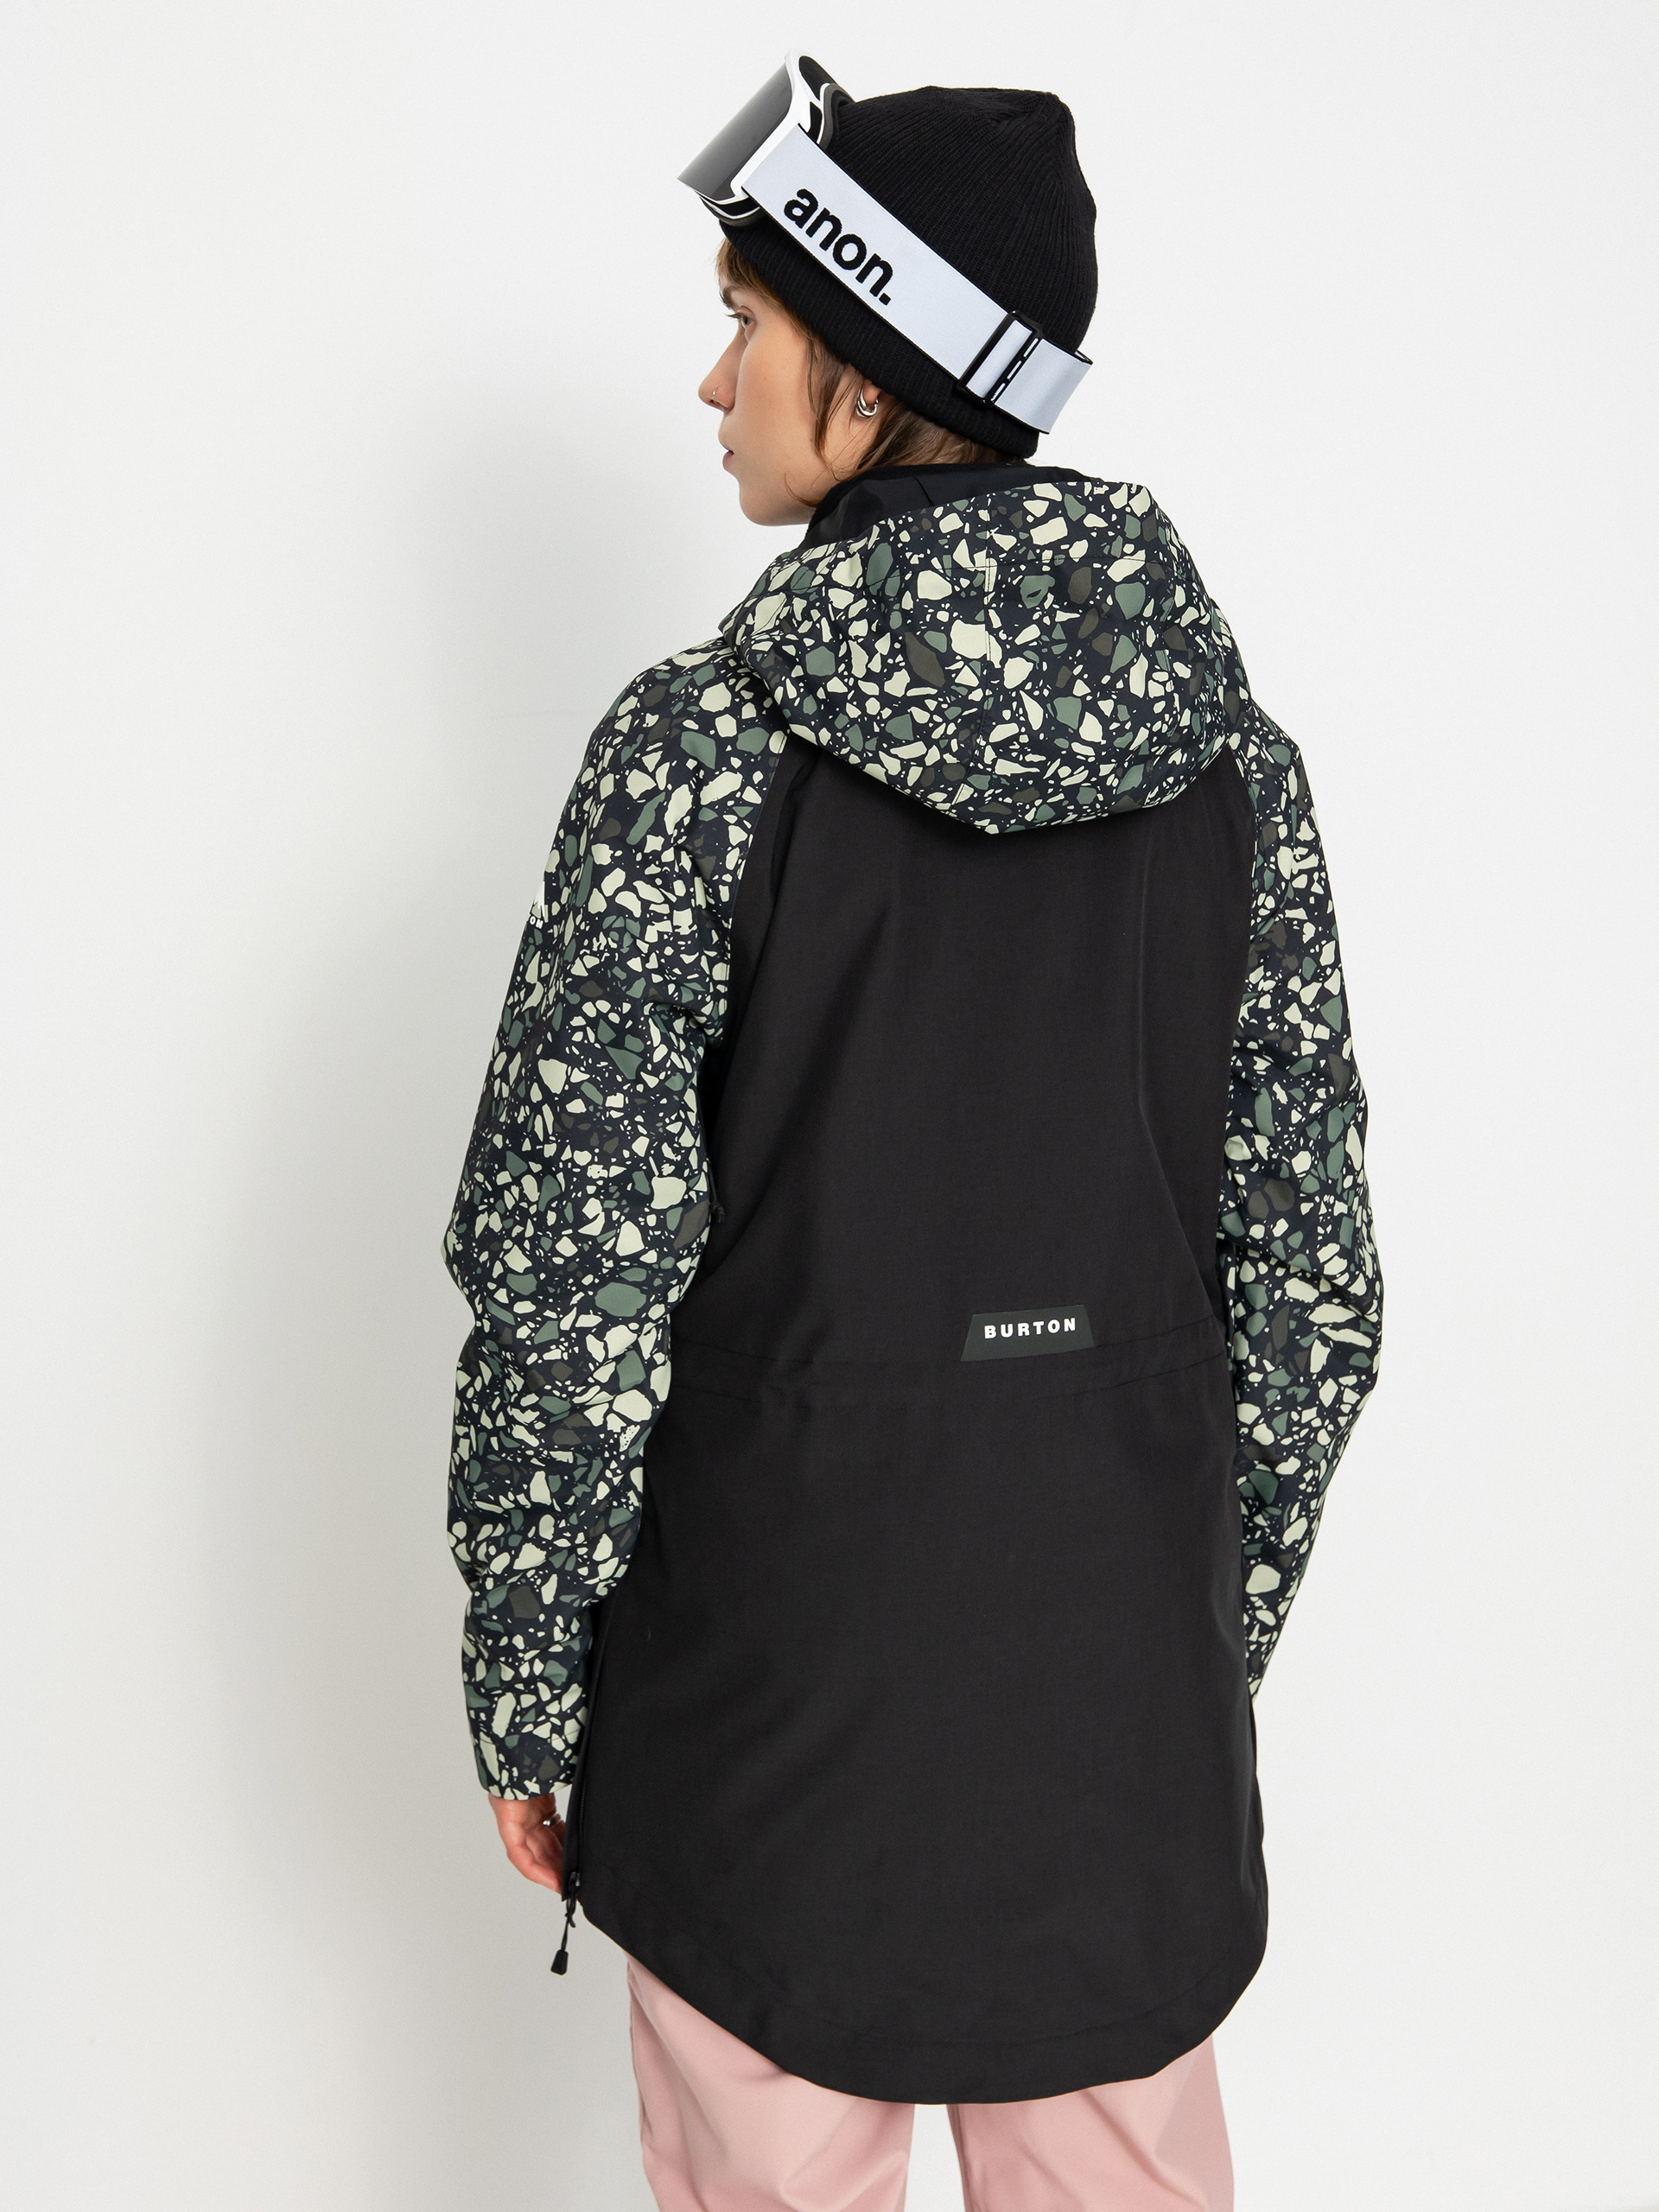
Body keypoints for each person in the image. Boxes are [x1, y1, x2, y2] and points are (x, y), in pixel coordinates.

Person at [442, 58, 1382, 2212]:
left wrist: (532, 1672)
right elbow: (1317, 1291)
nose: (713, 383)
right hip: (1117, 1727)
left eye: (748, 325)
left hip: (755, 1714)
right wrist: (1185, 1625)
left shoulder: (696, 750)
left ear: (870, 369)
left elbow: (571, 1281)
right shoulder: (1233, 765)